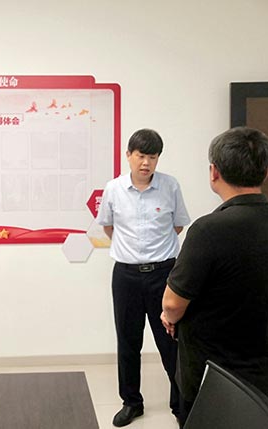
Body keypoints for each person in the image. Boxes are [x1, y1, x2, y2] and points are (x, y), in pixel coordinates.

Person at [161, 126, 268, 417]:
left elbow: (172, 303)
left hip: (211, 373)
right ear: (266, 172)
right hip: (260, 366)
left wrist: (169, 317)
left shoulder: (208, 229)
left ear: (214, 172)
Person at [96, 128, 191, 427]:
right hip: (126, 276)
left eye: (152, 157)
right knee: (128, 342)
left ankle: (180, 404)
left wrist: (155, 252)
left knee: (170, 340)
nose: (146, 163)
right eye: (140, 156)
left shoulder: (170, 186)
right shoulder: (113, 189)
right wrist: (132, 252)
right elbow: (108, 227)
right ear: (128, 155)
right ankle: (131, 403)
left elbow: (178, 225)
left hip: (164, 274)